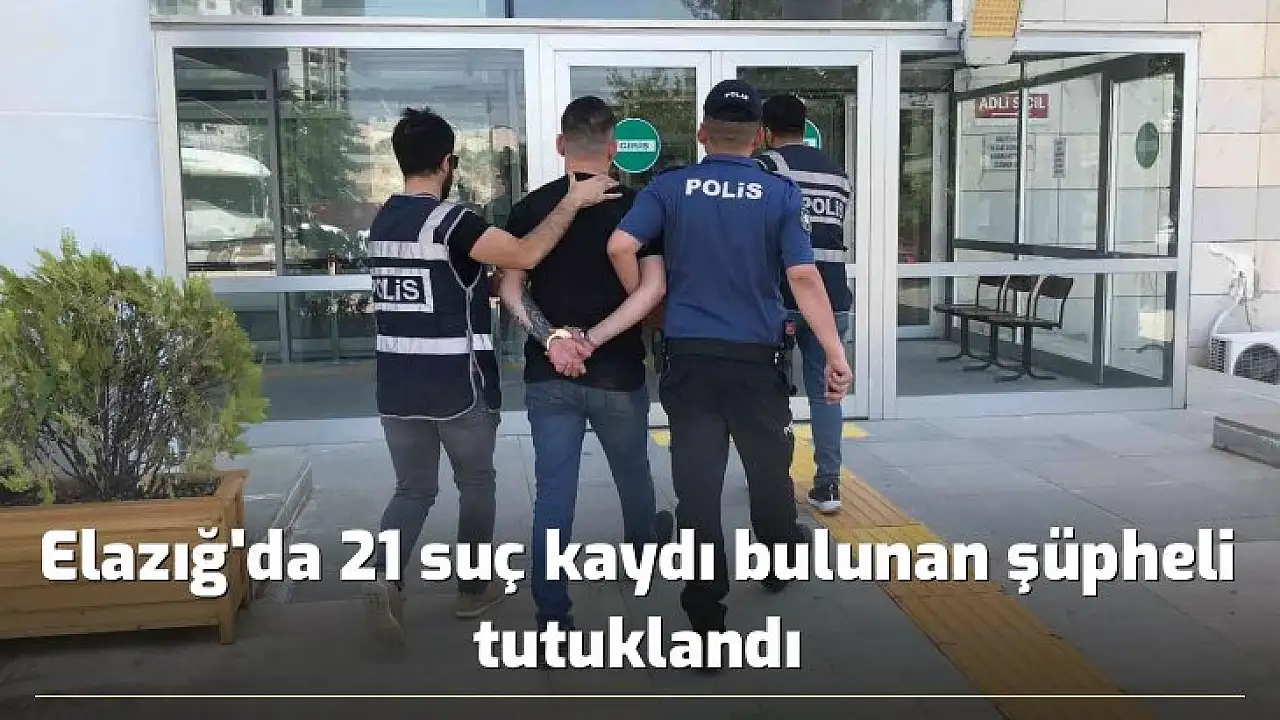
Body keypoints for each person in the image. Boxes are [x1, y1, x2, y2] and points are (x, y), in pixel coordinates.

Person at [576, 80, 853, 658]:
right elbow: (803, 277)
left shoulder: (669, 187)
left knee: (697, 488)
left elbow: (620, 246)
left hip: (690, 359)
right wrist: (835, 352)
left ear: (703, 133)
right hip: (756, 362)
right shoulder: (778, 193)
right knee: (768, 472)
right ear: (758, 137)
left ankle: (705, 616)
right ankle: (777, 562)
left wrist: (652, 306)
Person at [360, 107, 619, 642]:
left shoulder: (383, 221)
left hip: (396, 386)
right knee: (476, 484)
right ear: (447, 163)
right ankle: (472, 590)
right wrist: (573, 200)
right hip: (458, 385)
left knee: (413, 488)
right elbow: (526, 252)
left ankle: (384, 576)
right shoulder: (451, 222)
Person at [497, 96, 676, 636]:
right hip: (618, 371)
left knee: (554, 494)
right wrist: (592, 342)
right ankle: (642, 559)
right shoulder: (641, 207)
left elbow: (510, 289)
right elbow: (651, 291)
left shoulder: (531, 208)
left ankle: (552, 618)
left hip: (549, 373)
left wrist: (554, 342)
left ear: (560, 145)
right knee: (633, 472)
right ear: (614, 148)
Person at [757, 94, 854, 515]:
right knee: (827, 393)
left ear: (765, 131)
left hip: (782, 296)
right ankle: (828, 485)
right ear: (804, 126)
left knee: (771, 393)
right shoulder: (837, 173)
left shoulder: (766, 168)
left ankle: (775, 482)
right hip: (832, 297)